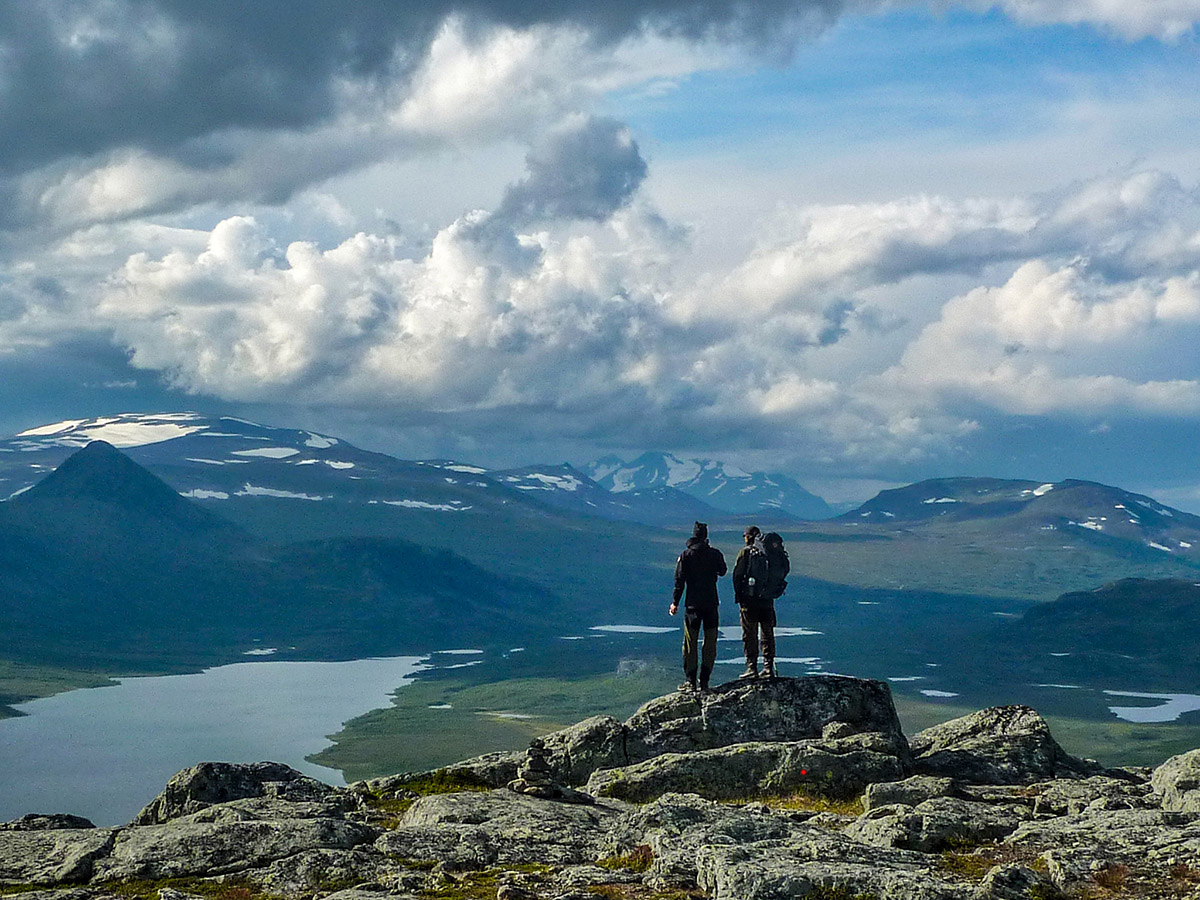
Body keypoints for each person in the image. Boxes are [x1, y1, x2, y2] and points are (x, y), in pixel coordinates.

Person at [669, 521, 727, 692]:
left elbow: (679, 581)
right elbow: (723, 571)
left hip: (692, 605)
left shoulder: (686, 556)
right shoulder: (714, 554)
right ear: (706, 536)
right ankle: (705, 681)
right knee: (710, 643)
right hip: (711, 604)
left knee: (690, 643)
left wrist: (675, 602)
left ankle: (690, 681)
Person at [733, 525, 777, 680]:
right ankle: (768, 667)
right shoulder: (770, 553)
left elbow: (737, 576)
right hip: (767, 600)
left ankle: (751, 667)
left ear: (748, 537)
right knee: (767, 633)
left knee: (749, 634)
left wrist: (740, 596)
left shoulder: (745, 553)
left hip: (749, 601)